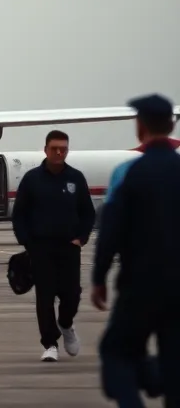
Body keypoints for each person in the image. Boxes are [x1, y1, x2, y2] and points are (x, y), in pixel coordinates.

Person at [91, 93, 178, 405]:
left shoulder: (127, 174)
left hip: (140, 287)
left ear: (140, 127)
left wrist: (99, 277)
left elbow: (110, 231)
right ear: (171, 125)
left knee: (115, 354)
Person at [11, 129, 96, 362]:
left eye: (64, 149)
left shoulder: (76, 178)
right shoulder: (32, 179)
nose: (59, 152)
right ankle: (50, 344)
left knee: (72, 295)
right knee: (45, 298)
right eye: (55, 148)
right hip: (41, 248)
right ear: (46, 150)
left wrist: (81, 237)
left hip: (69, 247)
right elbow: (19, 214)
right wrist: (27, 241)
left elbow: (88, 213)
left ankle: (66, 325)